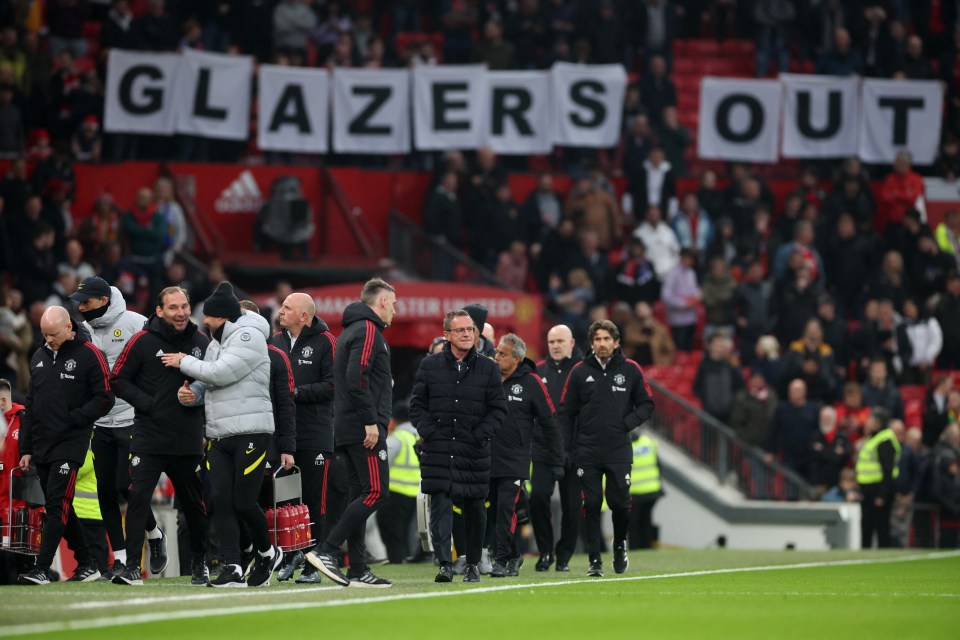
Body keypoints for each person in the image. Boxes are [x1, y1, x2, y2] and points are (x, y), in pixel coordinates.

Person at [162, 282, 282, 588]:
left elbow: (222, 372)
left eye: (209, 317)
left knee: (244, 502)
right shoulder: (218, 342)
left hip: (251, 431)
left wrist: (183, 362)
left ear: (222, 317)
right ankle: (232, 568)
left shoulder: (248, 336)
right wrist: (193, 393)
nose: (204, 321)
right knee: (221, 501)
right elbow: (212, 378)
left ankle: (268, 553)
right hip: (219, 433)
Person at [109, 286, 211, 586]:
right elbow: (117, 379)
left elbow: (217, 381)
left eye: (184, 306)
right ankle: (130, 568)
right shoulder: (141, 341)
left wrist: (196, 396)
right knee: (138, 497)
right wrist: (149, 403)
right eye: (173, 308)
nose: (180, 313)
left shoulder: (201, 342)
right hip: (149, 437)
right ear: (160, 311)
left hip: (187, 439)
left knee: (193, 506)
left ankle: (200, 562)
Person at [70, 275, 167, 580]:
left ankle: (154, 534)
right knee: (106, 492)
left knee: (129, 487)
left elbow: (158, 359)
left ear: (102, 301)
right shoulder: (83, 332)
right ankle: (122, 560)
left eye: (85, 302)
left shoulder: (135, 323)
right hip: (100, 422)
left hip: (131, 418)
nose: (81, 307)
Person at [305, 278, 396, 588]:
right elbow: (356, 376)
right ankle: (327, 550)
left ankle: (358, 568)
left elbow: (356, 377)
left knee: (359, 495)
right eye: (393, 304)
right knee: (376, 492)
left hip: (345, 425)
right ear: (382, 302)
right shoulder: (368, 330)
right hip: (363, 427)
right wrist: (371, 420)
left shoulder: (350, 331)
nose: (394, 311)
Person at [17, 306, 114, 585]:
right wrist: (26, 448)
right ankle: (87, 564)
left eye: (54, 334)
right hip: (43, 444)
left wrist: (77, 419)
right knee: (60, 506)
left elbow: (105, 397)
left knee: (56, 504)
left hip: (71, 443)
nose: (49, 340)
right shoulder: (38, 357)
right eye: (45, 334)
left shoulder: (89, 354)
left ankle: (41, 568)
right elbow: (31, 407)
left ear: (69, 328)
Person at [410, 309, 507, 584]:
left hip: (473, 450)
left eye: (470, 330)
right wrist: (430, 432)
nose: (467, 334)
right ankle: (444, 563)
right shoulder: (429, 365)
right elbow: (417, 405)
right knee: (439, 506)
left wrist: (481, 435)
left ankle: (473, 563)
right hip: (439, 450)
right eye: (461, 330)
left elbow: (498, 409)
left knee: (476, 508)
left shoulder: (489, 367)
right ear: (447, 335)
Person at [559, 319, 655, 577]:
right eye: (597, 339)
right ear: (591, 343)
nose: (602, 344)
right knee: (591, 503)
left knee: (620, 504)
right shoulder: (579, 371)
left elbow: (647, 404)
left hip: (618, 450)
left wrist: (626, 424)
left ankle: (620, 545)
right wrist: (567, 448)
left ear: (616, 342)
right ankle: (594, 560)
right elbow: (566, 412)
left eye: (606, 339)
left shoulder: (631, 369)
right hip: (587, 450)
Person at [269, 292, 336, 583]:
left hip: (315, 434)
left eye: (287, 308)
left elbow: (334, 385)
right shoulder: (275, 342)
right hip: (283, 434)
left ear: (304, 316)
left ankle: (314, 563)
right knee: (286, 502)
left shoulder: (326, 342)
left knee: (313, 502)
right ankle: (293, 553)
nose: (280, 311)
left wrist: (296, 393)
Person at [488, 334, 563, 577]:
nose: (496, 356)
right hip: (486, 456)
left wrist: (557, 459)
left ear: (517, 359)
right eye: (497, 352)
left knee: (505, 509)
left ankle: (499, 560)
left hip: (515, 458)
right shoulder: (487, 378)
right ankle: (514, 555)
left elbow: (549, 421)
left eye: (502, 354)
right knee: (491, 511)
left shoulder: (531, 382)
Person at [533, 324, 583, 572]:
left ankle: (564, 555)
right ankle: (545, 552)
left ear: (572, 344)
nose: (555, 346)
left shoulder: (582, 371)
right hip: (543, 450)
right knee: (538, 498)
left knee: (572, 507)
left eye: (560, 341)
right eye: (552, 341)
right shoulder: (537, 371)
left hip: (574, 451)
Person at [377, 402, 420, 565]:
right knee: (410, 532)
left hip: (395, 493)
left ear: (393, 420)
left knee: (392, 531)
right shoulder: (418, 436)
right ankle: (408, 558)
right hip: (416, 493)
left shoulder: (397, 438)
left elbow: (383, 463)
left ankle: (397, 560)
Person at [857, 407, 901, 549]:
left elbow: (887, 471)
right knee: (867, 524)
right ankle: (866, 553)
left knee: (881, 525)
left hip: (878, 489)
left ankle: (883, 553)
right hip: (869, 489)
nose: (867, 422)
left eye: (870, 419)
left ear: (878, 422)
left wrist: (882, 494)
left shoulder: (884, 440)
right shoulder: (874, 438)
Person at [627, 430, 662, 550]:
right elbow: (658, 465)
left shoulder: (625, 446)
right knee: (646, 521)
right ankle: (647, 547)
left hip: (634, 492)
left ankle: (635, 549)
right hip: (652, 490)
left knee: (633, 524)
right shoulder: (648, 442)